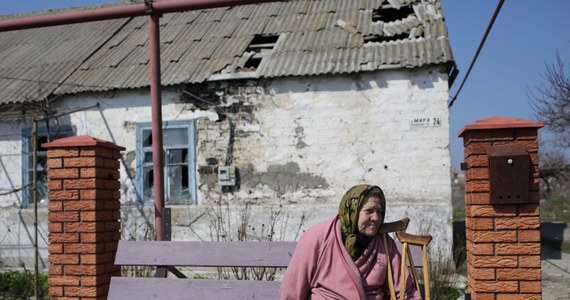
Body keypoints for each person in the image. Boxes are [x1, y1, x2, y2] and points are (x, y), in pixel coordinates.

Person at [278, 184, 422, 300]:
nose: (377, 218)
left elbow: (405, 292)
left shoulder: (385, 244)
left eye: (380, 212)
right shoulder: (318, 238)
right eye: (370, 211)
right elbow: (292, 291)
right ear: (352, 211)